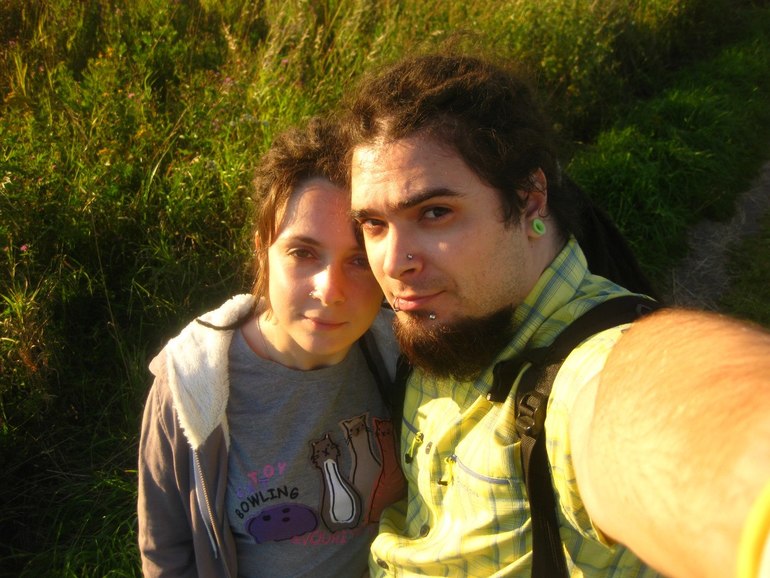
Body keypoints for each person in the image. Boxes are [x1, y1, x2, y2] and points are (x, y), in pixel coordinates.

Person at [342, 53, 770, 578]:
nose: (392, 264)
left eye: (435, 213)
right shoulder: (439, 316)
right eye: (373, 224)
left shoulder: (579, 374)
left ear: (529, 201)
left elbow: (648, 402)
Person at [137, 116, 406, 577]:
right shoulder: (191, 383)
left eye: (359, 259)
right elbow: (167, 552)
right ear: (263, 250)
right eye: (303, 252)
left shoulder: (403, 356)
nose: (330, 290)